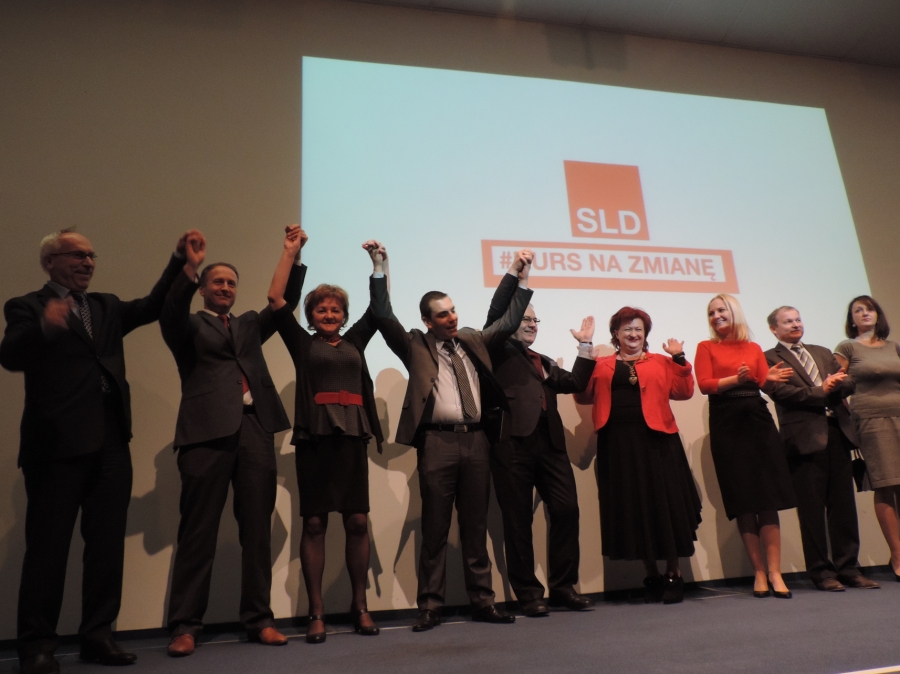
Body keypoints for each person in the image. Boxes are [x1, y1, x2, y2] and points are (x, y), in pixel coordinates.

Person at [1, 227, 189, 674]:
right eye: (77, 255)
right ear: (50, 262)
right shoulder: (27, 306)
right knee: (47, 551)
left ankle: (98, 636)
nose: (87, 262)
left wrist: (179, 261)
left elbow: (151, 305)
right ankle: (37, 646)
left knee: (105, 548)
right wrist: (45, 327)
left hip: (110, 442)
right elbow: (9, 356)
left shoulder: (104, 306)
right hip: (56, 447)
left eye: (91, 256)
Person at [160, 227, 305, 656]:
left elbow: (284, 300)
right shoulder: (188, 326)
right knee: (198, 532)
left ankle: (259, 620)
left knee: (257, 530)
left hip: (254, 430)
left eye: (231, 283)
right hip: (205, 433)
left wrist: (291, 254)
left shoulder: (248, 325)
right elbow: (170, 308)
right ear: (203, 290)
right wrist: (189, 267)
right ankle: (185, 626)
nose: (225, 287)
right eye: (218, 282)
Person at [372, 250, 534, 631]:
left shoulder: (473, 340)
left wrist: (520, 275)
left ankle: (483, 602)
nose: (452, 318)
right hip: (437, 443)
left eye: (454, 310)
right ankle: (430, 606)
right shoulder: (414, 345)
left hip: (476, 442)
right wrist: (379, 270)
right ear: (427, 321)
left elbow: (509, 320)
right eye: (443, 314)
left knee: (476, 527)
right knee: (435, 528)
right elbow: (382, 315)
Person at [266, 236, 387, 643]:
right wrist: (291, 254)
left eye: (336, 309)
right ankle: (316, 611)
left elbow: (380, 310)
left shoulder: (355, 342)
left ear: (344, 315)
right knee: (315, 523)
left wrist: (378, 267)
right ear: (311, 316)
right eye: (322, 309)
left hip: (352, 437)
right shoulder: (302, 344)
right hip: (315, 439)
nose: (330, 314)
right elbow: (275, 299)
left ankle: (360, 606)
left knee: (357, 521)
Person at [575, 307, 699, 604]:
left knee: (665, 506)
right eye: (627, 329)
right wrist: (584, 350)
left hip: (658, 442)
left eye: (639, 329)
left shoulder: (661, 361)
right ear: (616, 334)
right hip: (618, 445)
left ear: (646, 334)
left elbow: (684, 392)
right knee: (635, 507)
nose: (633, 334)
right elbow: (582, 395)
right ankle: (651, 574)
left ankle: (673, 573)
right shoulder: (601, 364)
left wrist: (679, 359)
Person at [484, 296, 596, 617]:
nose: (532, 325)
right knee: (518, 520)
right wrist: (518, 283)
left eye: (535, 320)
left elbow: (575, 382)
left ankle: (563, 587)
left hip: (551, 445)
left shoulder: (542, 360)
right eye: (525, 319)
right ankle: (529, 594)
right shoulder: (495, 351)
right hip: (512, 446)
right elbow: (496, 316)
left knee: (566, 509)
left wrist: (585, 345)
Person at [765, 306, 879, 591]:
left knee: (843, 506)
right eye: (787, 322)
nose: (795, 324)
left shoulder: (822, 351)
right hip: (803, 440)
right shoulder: (770, 358)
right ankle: (821, 572)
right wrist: (822, 390)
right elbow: (782, 393)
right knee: (811, 510)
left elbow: (848, 380)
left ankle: (848, 568)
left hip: (837, 433)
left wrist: (838, 383)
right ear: (774, 329)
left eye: (798, 319)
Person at [694, 294, 796, 598]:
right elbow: (705, 385)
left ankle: (775, 573)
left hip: (757, 420)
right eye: (711, 313)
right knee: (743, 500)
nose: (716, 316)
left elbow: (762, 384)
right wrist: (737, 379)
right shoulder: (706, 347)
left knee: (767, 498)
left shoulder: (753, 348)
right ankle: (759, 572)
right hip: (726, 422)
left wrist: (770, 379)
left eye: (721, 310)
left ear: (734, 312)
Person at [834, 295, 900, 581]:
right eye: (857, 311)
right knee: (886, 485)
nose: (864, 313)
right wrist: (851, 417)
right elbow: (835, 386)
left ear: (877, 314)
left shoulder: (893, 347)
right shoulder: (847, 347)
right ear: (852, 319)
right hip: (871, 422)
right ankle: (897, 555)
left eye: (869, 309)